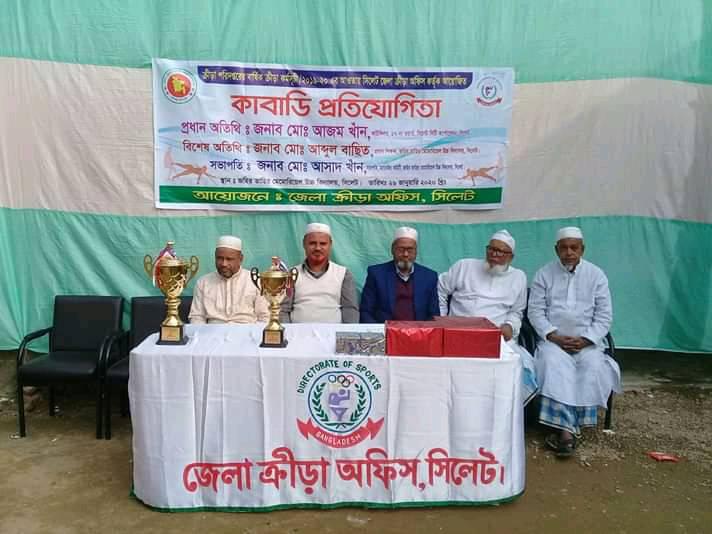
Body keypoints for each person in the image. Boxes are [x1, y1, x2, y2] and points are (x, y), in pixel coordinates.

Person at [528, 226, 621, 458]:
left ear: (582, 249)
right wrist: (553, 336)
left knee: (593, 366)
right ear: (556, 249)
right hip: (553, 342)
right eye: (564, 248)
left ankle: (568, 427)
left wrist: (587, 339)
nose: (569, 252)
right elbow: (535, 312)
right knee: (552, 365)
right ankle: (567, 432)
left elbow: (604, 316)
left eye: (574, 247)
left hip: (587, 342)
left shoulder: (596, 275)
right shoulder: (544, 274)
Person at [437, 229, 538, 404]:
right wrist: (442, 319)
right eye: (491, 249)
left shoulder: (518, 277)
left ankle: (501, 411)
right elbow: (441, 289)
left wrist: (510, 326)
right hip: (458, 334)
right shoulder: (464, 266)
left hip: (496, 337)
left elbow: (517, 311)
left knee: (517, 366)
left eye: (501, 252)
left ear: (511, 257)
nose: (494, 255)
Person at [280, 223, 359, 323]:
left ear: (330, 245)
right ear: (304, 244)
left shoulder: (343, 274)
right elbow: (283, 310)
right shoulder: (291, 274)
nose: (317, 248)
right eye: (312, 243)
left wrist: (347, 332)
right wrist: (289, 331)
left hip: (333, 332)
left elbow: (350, 310)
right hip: (297, 332)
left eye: (323, 244)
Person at [360, 226, 439, 322]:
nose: (405, 254)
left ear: (416, 252)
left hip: (419, 330)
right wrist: (380, 330)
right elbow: (365, 311)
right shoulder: (376, 274)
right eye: (401, 249)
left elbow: (434, 315)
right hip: (385, 330)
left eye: (410, 250)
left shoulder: (429, 277)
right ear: (392, 250)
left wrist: (423, 331)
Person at [189, 235, 269, 324]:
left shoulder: (255, 280)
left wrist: (254, 332)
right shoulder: (203, 282)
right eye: (220, 258)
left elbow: (265, 317)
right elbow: (197, 317)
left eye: (229, 259)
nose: (224, 264)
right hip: (213, 331)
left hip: (247, 330)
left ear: (240, 259)